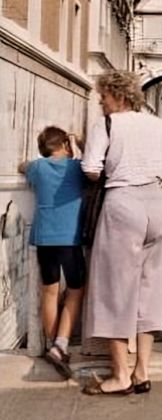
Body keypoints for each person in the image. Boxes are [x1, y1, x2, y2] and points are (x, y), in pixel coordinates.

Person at [81, 71, 162, 395]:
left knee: (115, 289)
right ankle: (142, 371)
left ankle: (120, 375)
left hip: (123, 204)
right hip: (157, 205)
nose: (101, 101)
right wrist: (150, 169)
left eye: (104, 95)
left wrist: (121, 170)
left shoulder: (109, 124)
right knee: (151, 288)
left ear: (120, 96)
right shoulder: (157, 124)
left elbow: (90, 169)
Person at [19, 127, 86, 378]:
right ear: (65, 145)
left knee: (50, 290)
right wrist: (78, 143)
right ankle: (61, 344)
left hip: (44, 238)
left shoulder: (37, 168)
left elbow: (23, 167)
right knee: (76, 290)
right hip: (69, 238)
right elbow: (95, 166)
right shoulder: (76, 167)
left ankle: (52, 344)